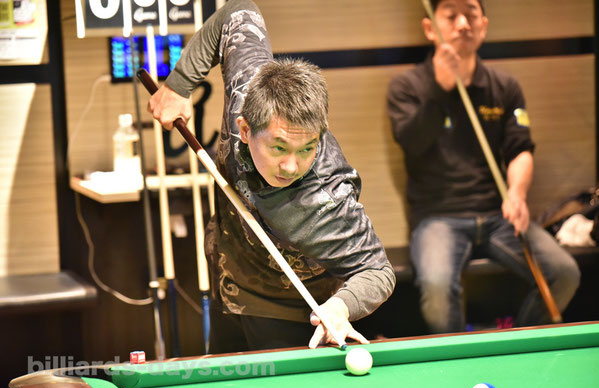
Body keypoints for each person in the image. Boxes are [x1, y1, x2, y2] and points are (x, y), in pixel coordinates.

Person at [148, 0, 396, 351]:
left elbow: (378, 271)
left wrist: (340, 307)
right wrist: (179, 84)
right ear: (245, 129)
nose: (292, 166)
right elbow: (237, 11)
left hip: (290, 308)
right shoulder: (248, 89)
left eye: (307, 148)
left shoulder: (326, 202)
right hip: (228, 276)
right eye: (279, 148)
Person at [386, 0, 580, 333]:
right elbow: (412, 142)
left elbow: (520, 150)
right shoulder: (407, 87)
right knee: (436, 287)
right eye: (451, 16)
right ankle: (457, 358)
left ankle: (516, 347)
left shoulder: (504, 87)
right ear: (430, 28)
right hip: (437, 218)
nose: (463, 23)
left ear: (484, 26)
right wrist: (440, 89)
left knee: (564, 273)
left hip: (498, 214)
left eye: (471, 15)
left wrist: (517, 194)